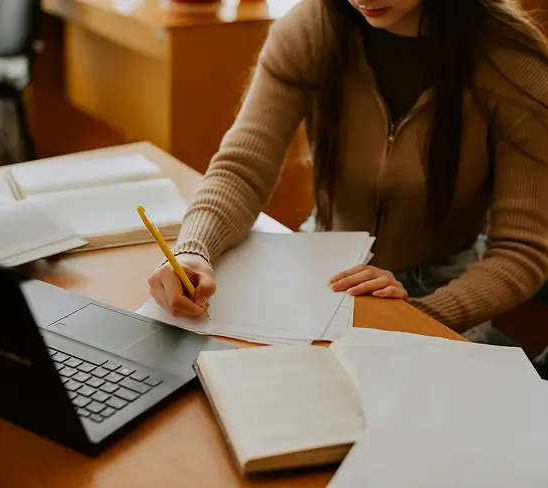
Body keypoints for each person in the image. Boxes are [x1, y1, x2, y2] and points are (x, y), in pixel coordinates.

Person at [148, 0, 548, 337]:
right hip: (327, 263)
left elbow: (522, 251)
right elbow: (241, 170)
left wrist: (417, 316)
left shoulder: (513, 63)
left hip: (447, 286)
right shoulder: (312, 29)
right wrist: (192, 251)